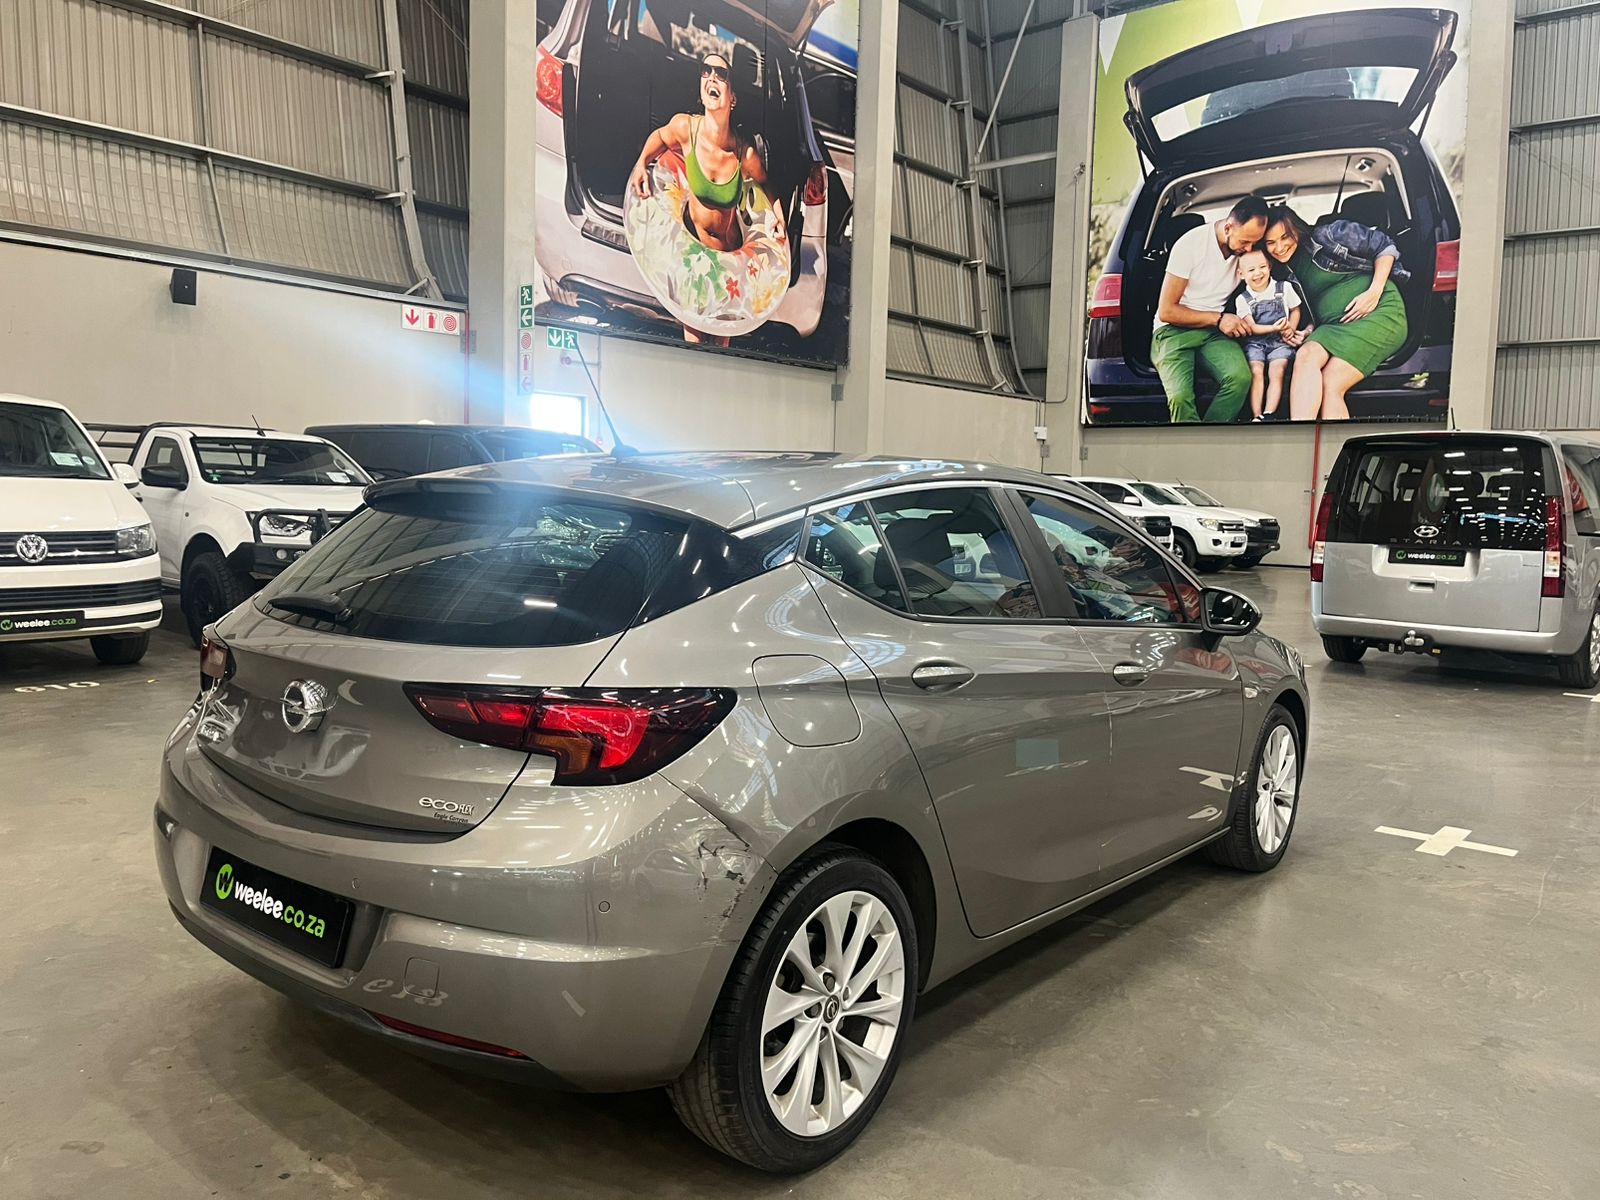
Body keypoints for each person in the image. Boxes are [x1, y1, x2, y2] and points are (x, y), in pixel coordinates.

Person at [1262, 204, 1409, 421]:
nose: (1279, 247)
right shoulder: (1280, 271)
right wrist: (1307, 330)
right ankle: (1301, 434)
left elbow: (1385, 246)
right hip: (1333, 326)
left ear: (1297, 230)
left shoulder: (1329, 234)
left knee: (1331, 383)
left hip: (1378, 311)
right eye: (1270, 242)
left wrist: (1374, 291)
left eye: (1285, 237)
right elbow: (1311, 308)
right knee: (1306, 354)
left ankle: (1330, 444)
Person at [629, 49, 767, 256]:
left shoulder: (744, 154)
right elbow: (660, 136)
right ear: (701, 93)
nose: (712, 77)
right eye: (706, 70)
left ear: (733, 99)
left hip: (732, 255)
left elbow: (766, 184)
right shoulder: (685, 128)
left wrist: (778, 218)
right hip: (698, 255)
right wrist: (641, 163)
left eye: (721, 74)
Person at [1150, 195, 1270, 424]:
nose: (1249, 249)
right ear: (1228, 227)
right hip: (1172, 331)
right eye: (1245, 241)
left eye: (1254, 242)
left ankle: (1211, 437)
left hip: (1212, 333)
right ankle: (1193, 445)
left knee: (1240, 379)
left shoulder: (1246, 252)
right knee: (1180, 397)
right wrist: (1220, 319)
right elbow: (1167, 311)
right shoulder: (1190, 245)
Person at [1231, 248, 1302, 421]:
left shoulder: (1284, 288)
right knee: (1256, 371)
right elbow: (1251, 327)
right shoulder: (1243, 299)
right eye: (1251, 270)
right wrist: (1274, 328)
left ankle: (1269, 413)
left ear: (1269, 267)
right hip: (1255, 342)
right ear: (1241, 274)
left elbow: (1295, 310)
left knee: (1277, 371)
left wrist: (1291, 328)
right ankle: (1257, 415)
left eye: (1262, 267)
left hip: (1280, 342)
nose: (1258, 273)